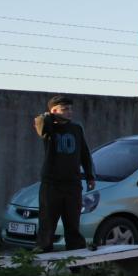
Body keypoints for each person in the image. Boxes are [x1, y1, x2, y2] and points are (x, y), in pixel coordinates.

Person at [33, 94, 96, 252]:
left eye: (71, 109)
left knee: (73, 226)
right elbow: (39, 125)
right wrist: (49, 116)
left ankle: (77, 267)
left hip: (72, 184)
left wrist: (89, 175)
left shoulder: (76, 128)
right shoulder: (47, 127)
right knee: (47, 226)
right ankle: (42, 266)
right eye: (65, 109)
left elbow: (84, 153)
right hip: (51, 184)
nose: (70, 112)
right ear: (54, 111)